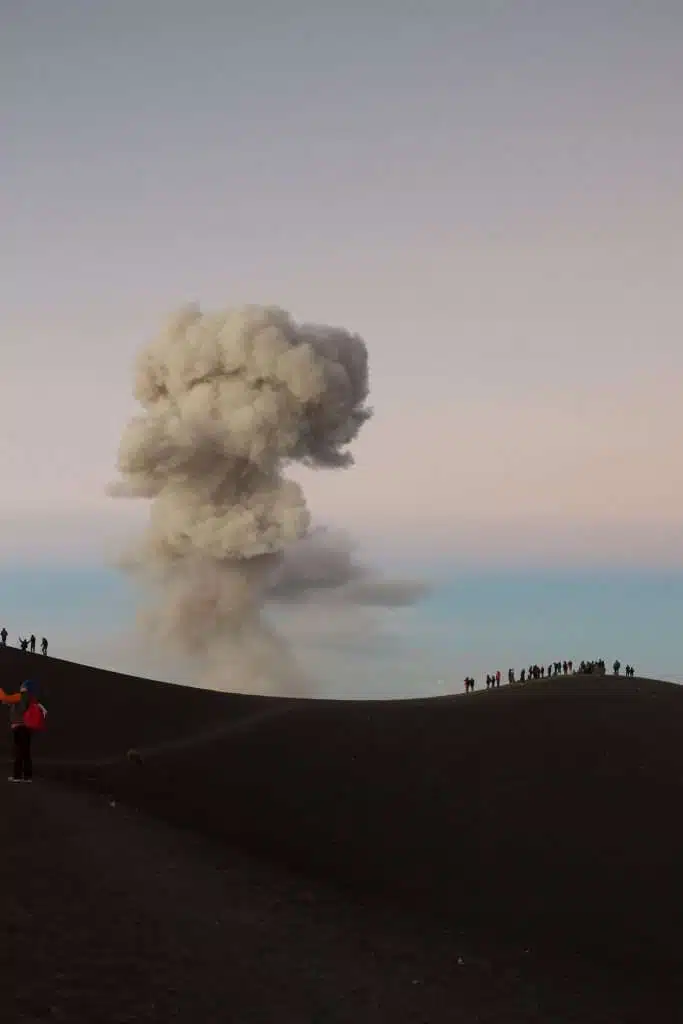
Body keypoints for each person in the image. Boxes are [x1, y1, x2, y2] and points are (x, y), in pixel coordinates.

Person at [0, 679, 46, 782]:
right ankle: (27, 776)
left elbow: (4, 698)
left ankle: (17, 776)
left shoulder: (19, 696)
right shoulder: (31, 698)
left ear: (25, 687)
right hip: (27, 728)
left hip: (19, 728)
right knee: (26, 753)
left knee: (19, 752)